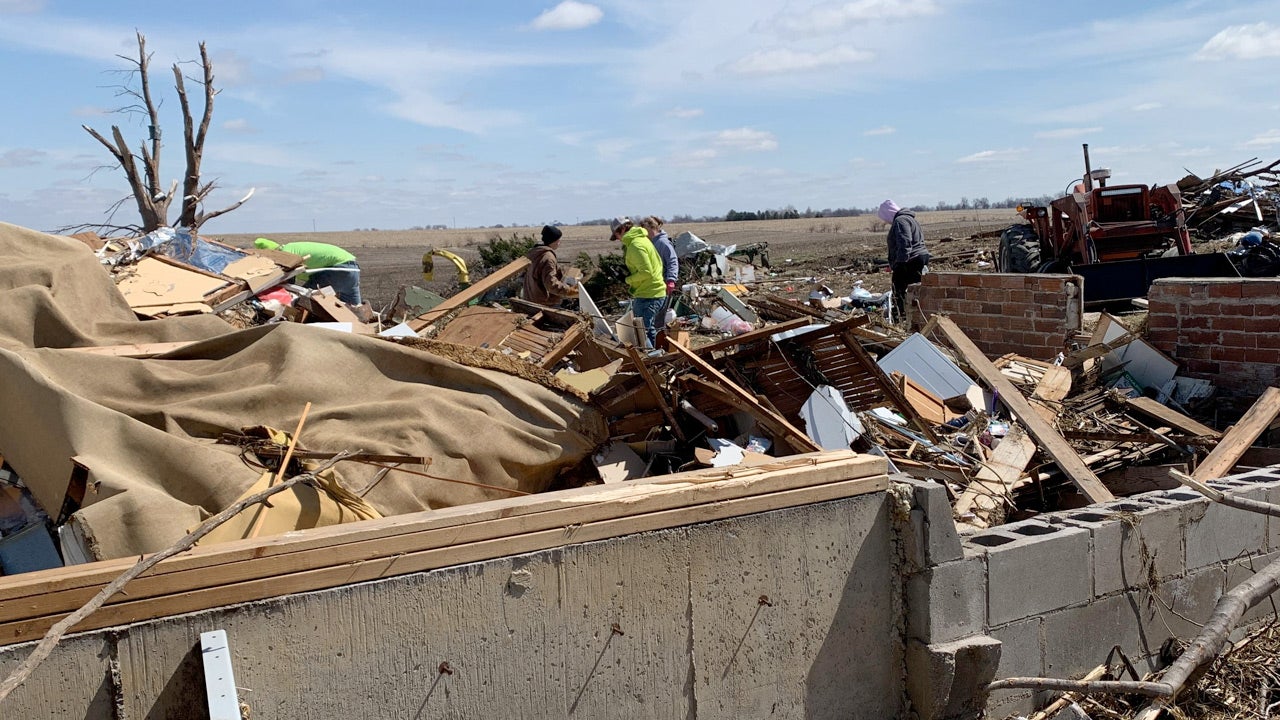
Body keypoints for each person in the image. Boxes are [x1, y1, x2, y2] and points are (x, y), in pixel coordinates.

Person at [254, 238, 363, 306]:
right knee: (353, 310)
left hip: (337, 269)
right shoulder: (292, 248)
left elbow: (287, 281)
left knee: (303, 300)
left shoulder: (285, 254)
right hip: (353, 269)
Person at [611, 216, 666, 348]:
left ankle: (651, 359)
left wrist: (627, 279)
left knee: (642, 332)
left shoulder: (636, 245)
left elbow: (647, 272)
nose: (618, 239)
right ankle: (656, 356)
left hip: (649, 294)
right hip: (652, 292)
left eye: (617, 235)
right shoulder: (642, 240)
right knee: (647, 329)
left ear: (623, 228)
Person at [877, 200, 930, 320]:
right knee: (916, 290)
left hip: (910, 260)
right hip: (918, 258)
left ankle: (901, 319)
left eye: (884, 217)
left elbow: (905, 242)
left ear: (888, 213)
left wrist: (900, 263)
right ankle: (917, 317)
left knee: (899, 292)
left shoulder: (900, 221)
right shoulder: (910, 219)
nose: (885, 221)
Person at [523, 225, 578, 306]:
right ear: (554, 241)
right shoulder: (548, 258)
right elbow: (551, 284)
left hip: (530, 299)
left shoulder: (534, 254)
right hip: (544, 302)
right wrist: (568, 290)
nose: (559, 242)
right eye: (559, 240)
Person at [641, 216, 679, 297]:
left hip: (664, 284)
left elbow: (672, 260)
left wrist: (671, 280)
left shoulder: (663, 243)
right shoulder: (649, 243)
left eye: (645, 230)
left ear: (652, 228)